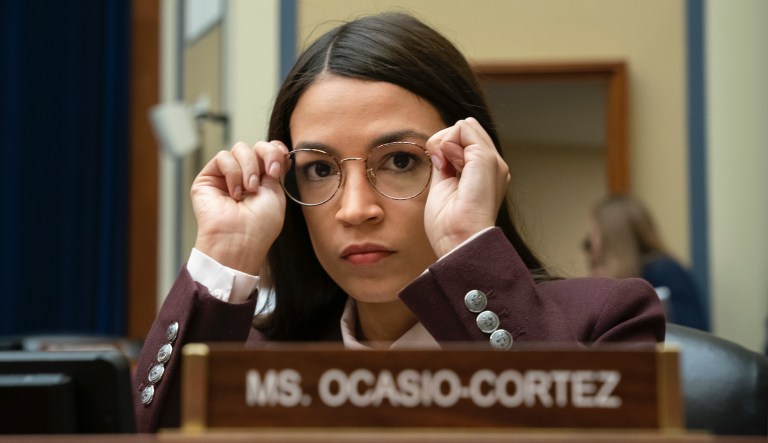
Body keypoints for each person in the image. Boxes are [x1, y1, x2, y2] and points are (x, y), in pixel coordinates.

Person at [133, 13, 665, 432]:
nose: (355, 208)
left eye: (401, 160)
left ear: (467, 163)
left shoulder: (606, 322)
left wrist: (467, 246)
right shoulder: (252, 363)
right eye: (319, 169)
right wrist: (224, 250)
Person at [583, 194, 709, 331]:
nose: (590, 251)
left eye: (590, 241)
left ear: (612, 239)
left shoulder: (664, 271)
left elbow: (693, 338)